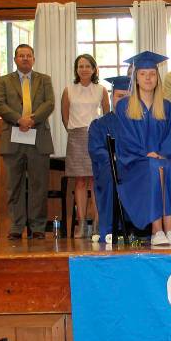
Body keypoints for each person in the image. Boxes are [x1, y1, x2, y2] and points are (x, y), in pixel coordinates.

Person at [113, 51, 171, 246]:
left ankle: (169, 230)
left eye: (152, 74)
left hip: (162, 159)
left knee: (169, 167)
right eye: (143, 73)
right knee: (155, 167)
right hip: (135, 165)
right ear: (135, 78)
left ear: (157, 78)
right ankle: (156, 231)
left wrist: (162, 153)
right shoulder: (125, 107)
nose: (147, 78)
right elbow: (124, 138)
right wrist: (146, 154)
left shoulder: (167, 107)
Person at [0, 44, 55, 239]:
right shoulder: (3, 81)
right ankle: (16, 226)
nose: (25, 58)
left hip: (38, 138)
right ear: (15, 59)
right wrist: (19, 119)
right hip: (13, 137)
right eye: (21, 56)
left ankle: (37, 227)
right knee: (14, 185)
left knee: (39, 185)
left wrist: (32, 119)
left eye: (28, 55)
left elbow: (50, 103)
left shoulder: (44, 80)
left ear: (34, 59)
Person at [62, 54, 107, 238]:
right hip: (76, 137)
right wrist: (74, 132)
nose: (84, 69)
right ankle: (81, 223)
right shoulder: (69, 90)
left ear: (94, 69)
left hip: (96, 136)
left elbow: (106, 115)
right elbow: (65, 116)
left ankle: (97, 222)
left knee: (95, 181)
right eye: (80, 66)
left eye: (88, 66)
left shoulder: (101, 89)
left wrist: (99, 135)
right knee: (80, 181)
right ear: (76, 69)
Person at [87, 75, 130, 237]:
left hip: (133, 168)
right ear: (112, 97)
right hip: (110, 168)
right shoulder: (99, 125)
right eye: (120, 96)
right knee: (109, 172)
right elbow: (96, 150)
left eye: (127, 97)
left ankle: (143, 229)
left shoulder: (137, 123)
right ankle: (110, 229)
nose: (123, 100)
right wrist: (116, 160)